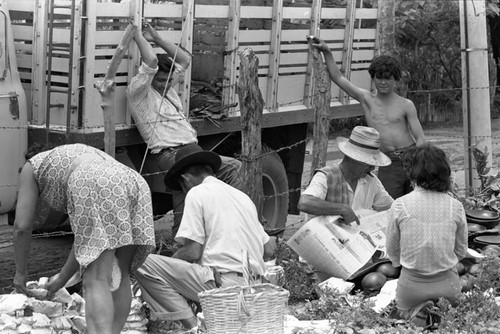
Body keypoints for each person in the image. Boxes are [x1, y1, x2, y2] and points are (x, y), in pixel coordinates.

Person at [13, 143, 156, 334]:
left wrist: (20, 273)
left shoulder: (31, 167)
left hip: (94, 181)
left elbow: (22, 227)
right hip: (133, 181)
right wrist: (61, 280)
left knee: (96, 277)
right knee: (120, 274)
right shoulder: (74, 153)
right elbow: (85, 242)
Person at [134, 144, 275, 331]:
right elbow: (269, 249)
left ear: (185, 180)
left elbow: (192, 251)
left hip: (224, 284)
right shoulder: (242, 197)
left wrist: (170, 270)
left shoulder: (197, 193)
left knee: (144, 263)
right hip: (253, 285)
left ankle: (195, 327)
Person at [127, 23, 242, 237]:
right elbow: (151, 61)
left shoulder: (168, 89)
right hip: (170, 153)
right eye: (161, 80)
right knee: (231, 168)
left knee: (185, 194)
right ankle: (237, 222)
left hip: (191, 149)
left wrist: (157, 37)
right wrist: (136, 35)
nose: (166, 83)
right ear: (149, 77)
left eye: (169, 79)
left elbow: (185, 60)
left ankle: (181, 239)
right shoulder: (139, 91)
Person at [309, 37, 426, 199]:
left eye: (388, 78)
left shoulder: (406, 104)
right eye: (379, 77)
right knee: (390, 204)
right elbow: (338, 78)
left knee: (417, 201)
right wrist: (327, 52)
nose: (383, 82)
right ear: (373, 78)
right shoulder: (366, 99)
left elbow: (420, 137)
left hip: (411, 156)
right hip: (388, 161)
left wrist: (417, 162)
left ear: (396, 80)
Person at [385, 144, 467, 322]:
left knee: (406, 323)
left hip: (411, 288)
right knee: (450, 323)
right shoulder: (456, 206)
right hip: (448, 286)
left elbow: (392, 251)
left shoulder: (399, 205)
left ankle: (417, 317)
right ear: (445, 173)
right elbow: (461, 250)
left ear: (413, 173)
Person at [298, 126, 394, 225]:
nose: (372, 168)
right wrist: (342, 209)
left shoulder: (371, 181)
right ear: (354, 158)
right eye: (369, 163)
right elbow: (305, 203)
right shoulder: (326, 176)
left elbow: (391, 208)